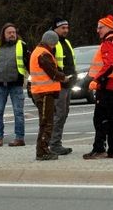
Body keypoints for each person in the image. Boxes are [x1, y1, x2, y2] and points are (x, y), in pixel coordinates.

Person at [84, 15, 113, 160]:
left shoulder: (109, 41)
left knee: (100, 118)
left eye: (100, 27)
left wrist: (97, 80)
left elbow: (109, 65)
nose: (98, 31)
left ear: (108, 27)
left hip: (108, 85)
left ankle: (99, 149)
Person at [0, 22, 29, 147]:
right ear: (4, 34)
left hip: (16, 84)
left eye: (14, 32)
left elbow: (29, 63)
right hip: (0, 85)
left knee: (18, 112)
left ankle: (19, 138)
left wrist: (32, 80)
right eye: (9, 33)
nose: (12, 35)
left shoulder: (22, 46)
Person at [28, 31, 67, 160]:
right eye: (54, 43)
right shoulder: (44, 54)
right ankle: (42, 151)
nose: (55, 46)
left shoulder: (38, 51)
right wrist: (64, 78)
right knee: (46, 123)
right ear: (51, 42)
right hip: (45, 92)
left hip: (41, 92)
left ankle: (42, 150)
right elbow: (53, 73)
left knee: (45, 121)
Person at [49, 18, 77, 155]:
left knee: (63, 114)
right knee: (59, 115)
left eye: (67, 27)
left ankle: (54, 142)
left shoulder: (65, 42)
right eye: (62, 28)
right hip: (58, 84)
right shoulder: (53, 43)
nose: (65, 30)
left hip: (67, 83)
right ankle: (54, 144)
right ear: (55, 29)